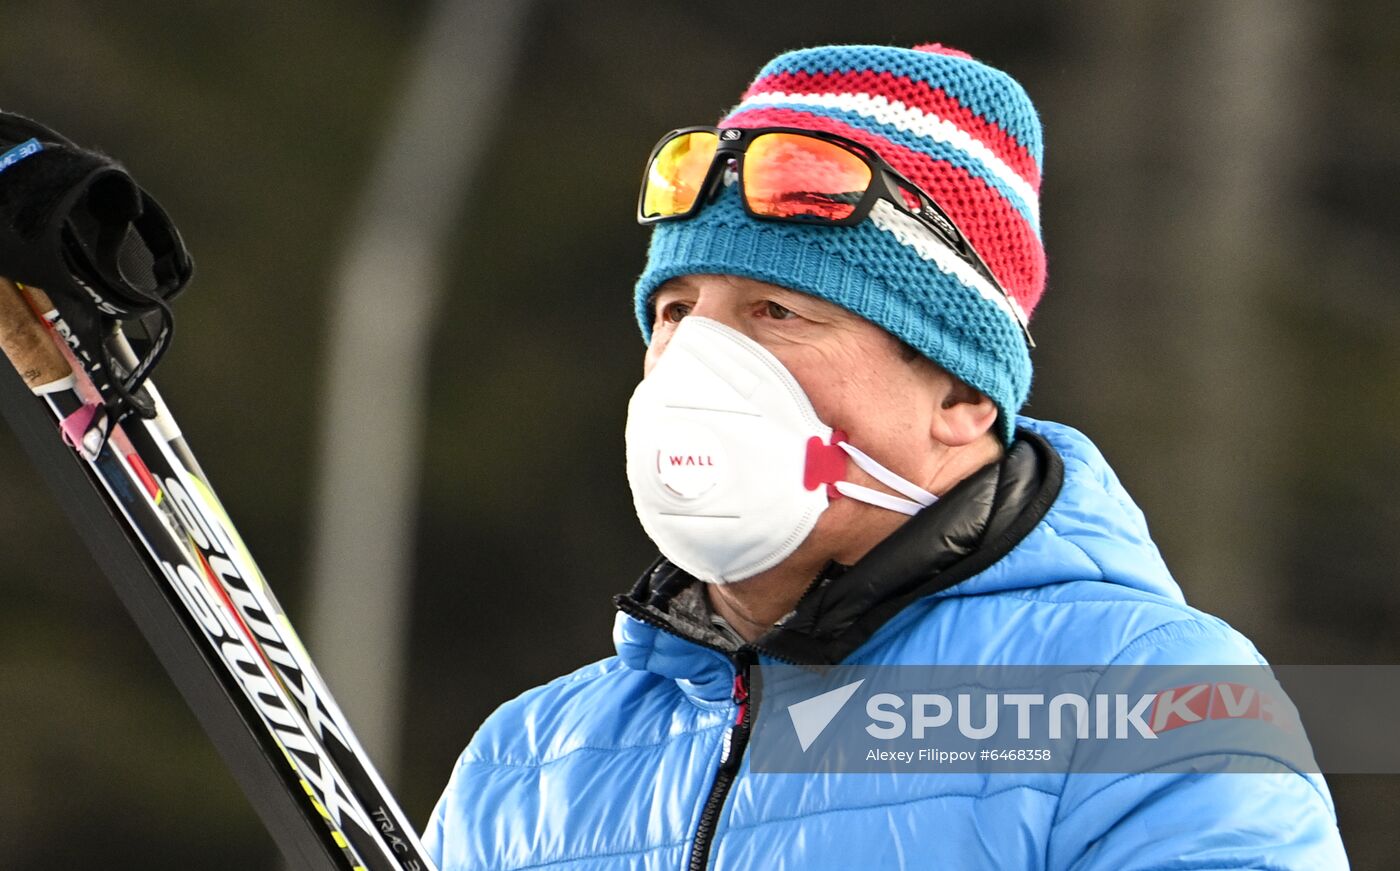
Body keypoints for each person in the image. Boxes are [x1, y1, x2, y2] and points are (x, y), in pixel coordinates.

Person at [424, 43, 1348, 869]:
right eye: (675, 312)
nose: (693, 362)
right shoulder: (528, 767)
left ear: (960, 396)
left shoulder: (1151, 700)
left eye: (776, 312)